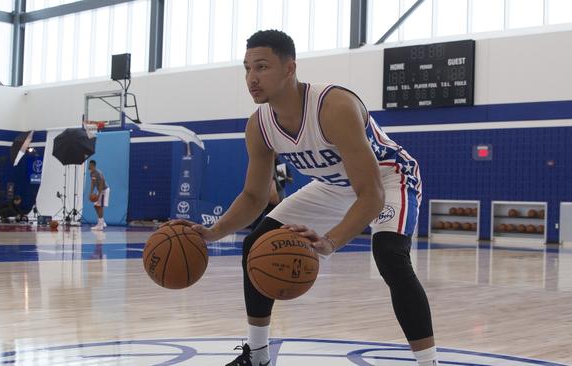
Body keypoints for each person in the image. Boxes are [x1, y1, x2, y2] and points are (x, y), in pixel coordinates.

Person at [168, 30, 438, 366]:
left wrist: (330, 241)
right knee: (256, 243)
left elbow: (371, 195)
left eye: (262, 67)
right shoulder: (259, 125)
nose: (252, 78)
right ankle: (259, 356)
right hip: (331, 185)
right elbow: (253, 196)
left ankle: (428, 363)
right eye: (247, 68)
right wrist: (211, 232)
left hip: (388, 177)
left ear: (289, 68)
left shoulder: (334, 106)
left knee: (389, 256)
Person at [88, 160, 109, 230]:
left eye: (89, 165)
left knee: (99, 206)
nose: (88, 166)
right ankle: (102, 221)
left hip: (104, 190)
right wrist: (90, 193)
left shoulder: (98, 173)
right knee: (96, 206)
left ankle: (100, 225)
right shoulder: (91, 173)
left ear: (93, 165)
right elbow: (93, 183)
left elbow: (101, 184)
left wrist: (99, 195)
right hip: (100, 190)